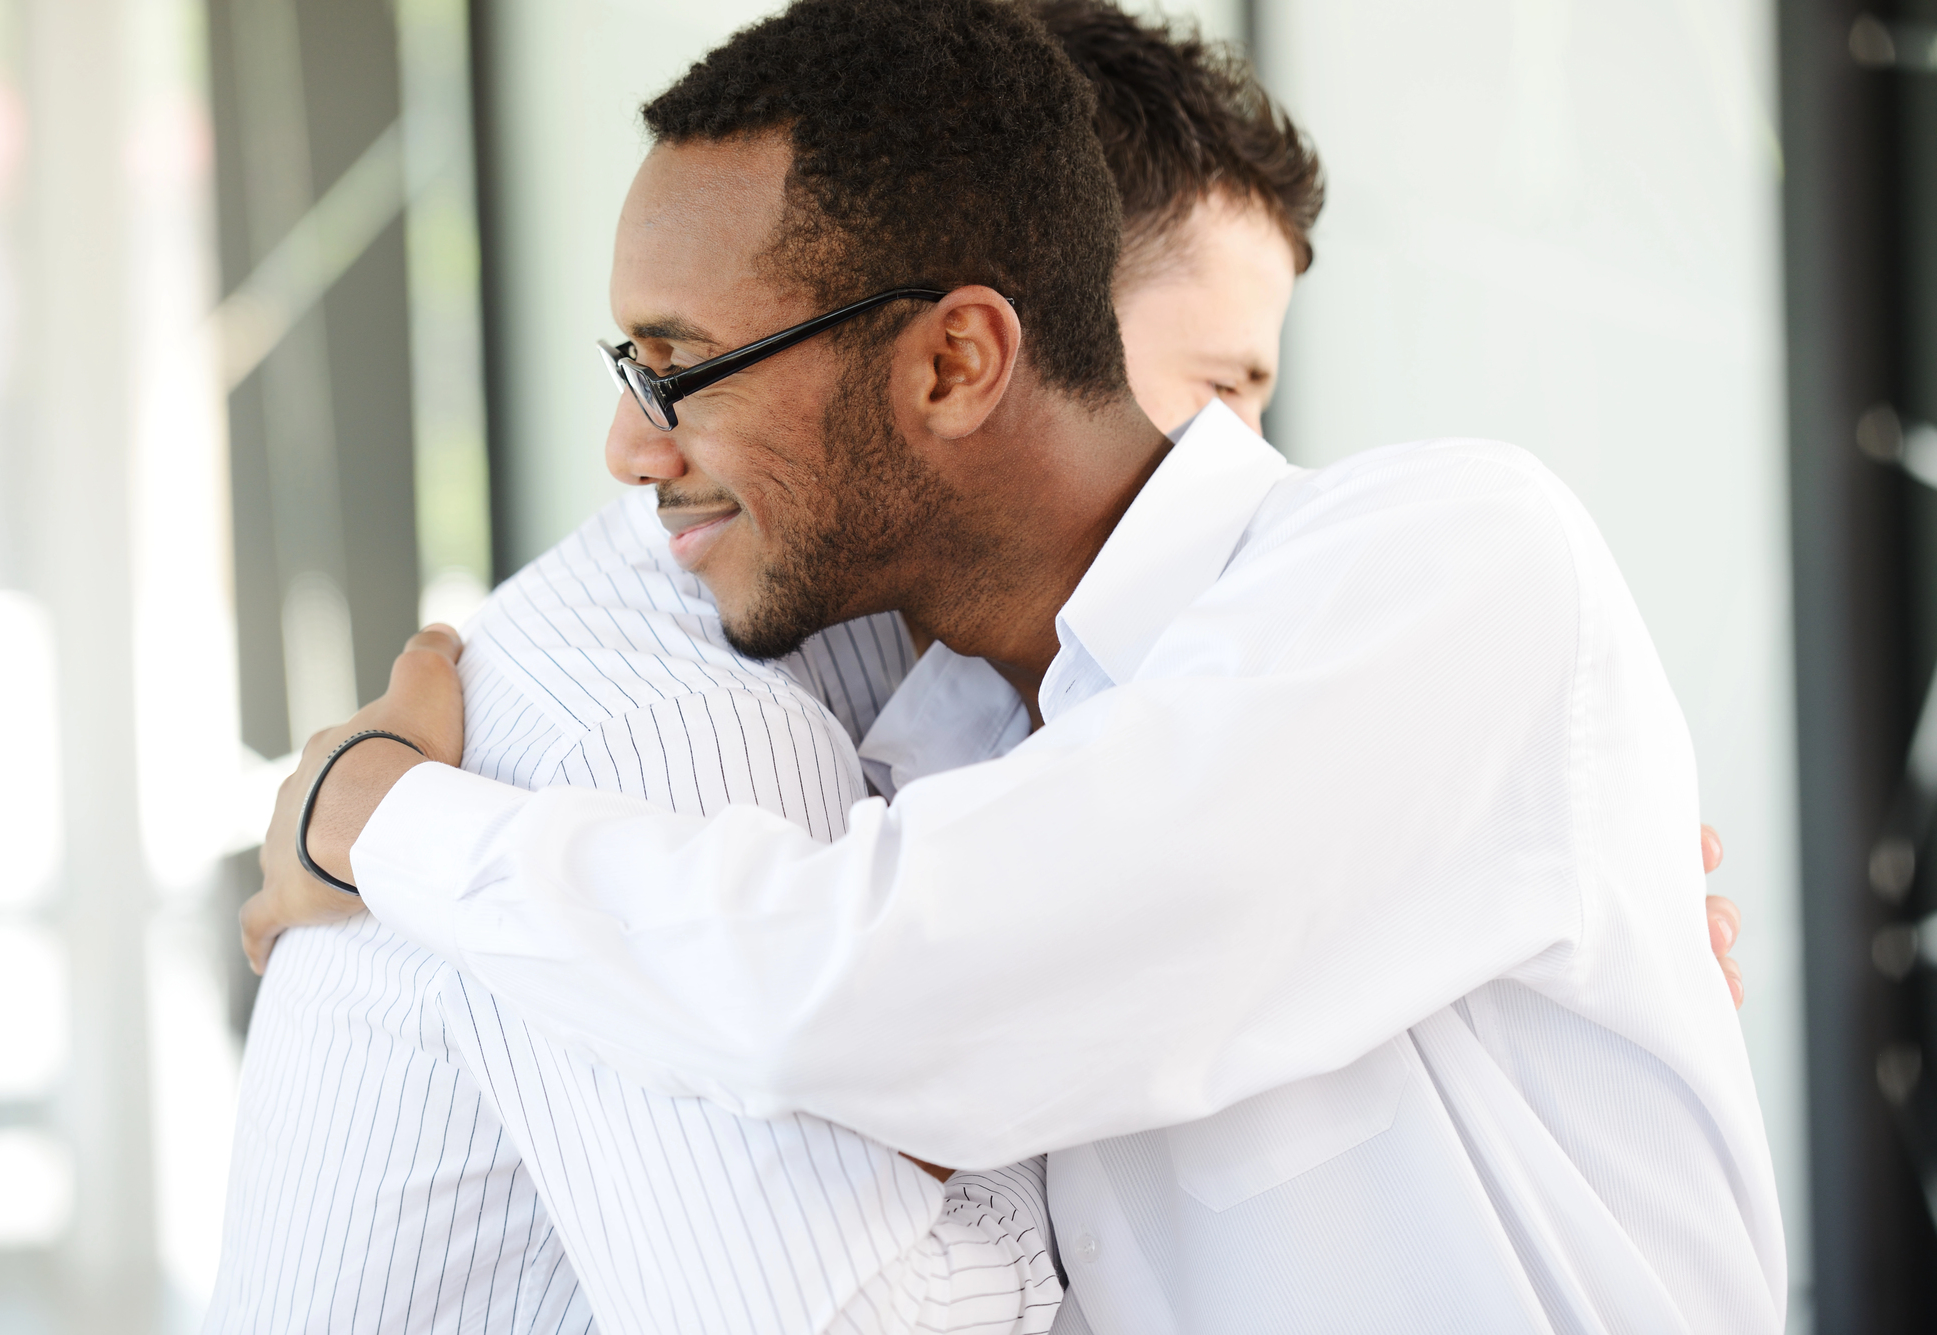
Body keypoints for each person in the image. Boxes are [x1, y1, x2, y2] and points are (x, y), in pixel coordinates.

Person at [243, 1, 1784, 1332]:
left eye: (678, 366)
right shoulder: (943, 740)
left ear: (959, 360)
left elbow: (852, 987)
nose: (628, 446)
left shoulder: (1449, 557)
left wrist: (378, 820)